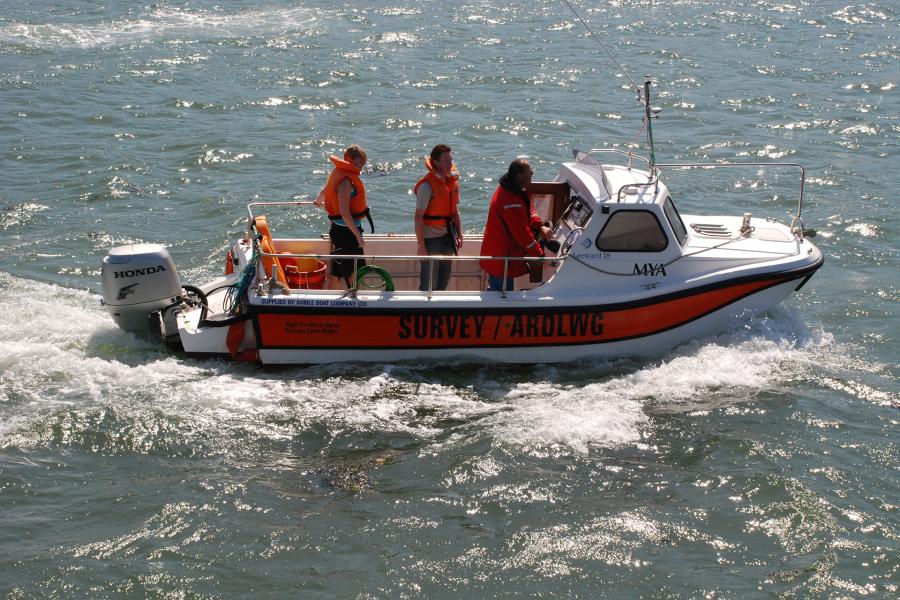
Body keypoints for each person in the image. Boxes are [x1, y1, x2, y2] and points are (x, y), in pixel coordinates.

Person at [479, 158, 553, 292]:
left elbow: (527, 211)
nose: (532, 173)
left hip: (501, 253)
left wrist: (540, 226)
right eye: (528, 171)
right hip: (502, 256)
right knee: (501, 294)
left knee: (501, 290)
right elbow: (522, 234)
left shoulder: (513, 192)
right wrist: (540, 256)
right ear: (519, 176)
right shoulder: (510, 201)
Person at [320, 144, 371, 286]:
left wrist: (318, 201)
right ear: (348, 159)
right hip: (346, 232)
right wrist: (358, 236)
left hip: (343, 230)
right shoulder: (346, 181)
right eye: (358, 162)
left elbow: (324, 191)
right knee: (342, 273)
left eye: (362, 163)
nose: (360, 166)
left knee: (351, 270)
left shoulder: (338, 172)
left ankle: (353, 296)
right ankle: (343, 302)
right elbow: (344, 212)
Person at [414, 144, 463, 292]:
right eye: (447, 161)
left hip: (448, 237)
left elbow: (454, 211)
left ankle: (438, 308)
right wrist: (421, 246)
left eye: (451, 160)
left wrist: (459, 234)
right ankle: (423, 309)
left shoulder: (452, 182)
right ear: (436, 162)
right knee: (429, 281)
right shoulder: (426, 186)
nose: (451, 164)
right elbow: (418, 217)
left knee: (444, 279)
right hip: (431, 240)